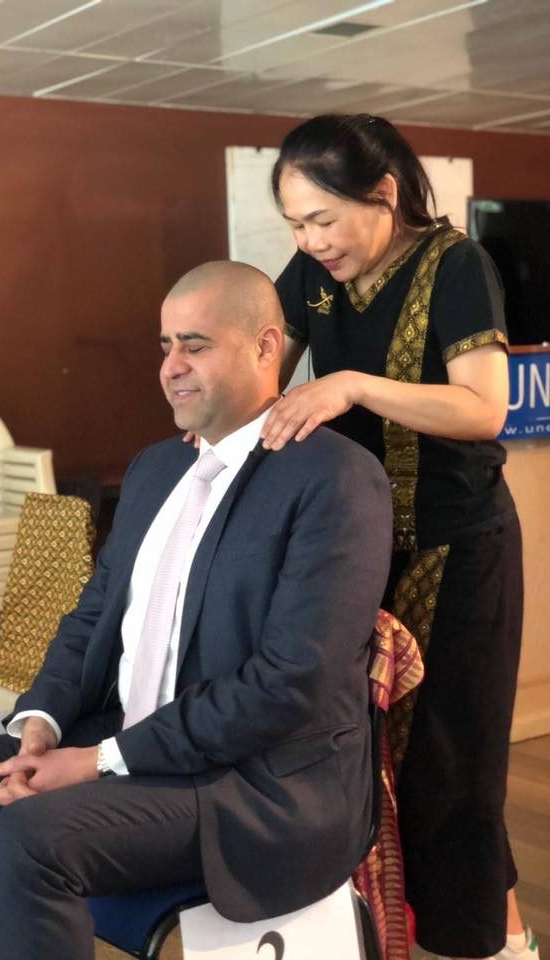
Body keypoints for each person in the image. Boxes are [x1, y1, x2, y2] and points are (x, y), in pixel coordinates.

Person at [0, 260, 393, 960]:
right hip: (133, 740)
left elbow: (288, 685)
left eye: (195, 346)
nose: (171, 367)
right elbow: (92, 617)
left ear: (267, 347)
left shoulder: (336, 477)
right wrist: (40, 723)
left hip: (255, 785)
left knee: (27, 840)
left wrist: (100, 761)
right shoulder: (156, 469)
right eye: (165, 346)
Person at [265, 113, 533, 960]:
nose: (311, 242)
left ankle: (484, 945)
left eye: (323, 219)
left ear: (382, 194)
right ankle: (480, 935)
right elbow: (264, 359)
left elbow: (484, 408)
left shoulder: (456, 266)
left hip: (459, 551)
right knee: (375, 760)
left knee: (453, 770)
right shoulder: (314, 276)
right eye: (295, 226)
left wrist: (350, 385)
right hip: (361, 547)